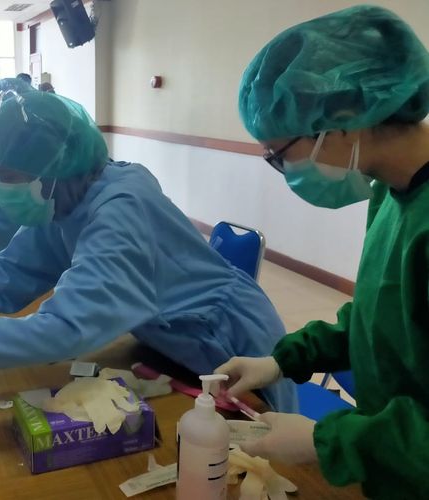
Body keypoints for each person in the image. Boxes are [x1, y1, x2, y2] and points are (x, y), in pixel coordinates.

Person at [0, 90, 297, 412]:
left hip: (227, 340)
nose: (4, 188)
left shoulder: (119, 209)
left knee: (261, 451)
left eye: (11, 174)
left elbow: (63, 329)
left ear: (52, 167)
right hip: (168, 341)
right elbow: (4, 281)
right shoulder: (64, 200)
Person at [213, 6, 429, 499]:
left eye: (281, 154)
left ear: (345, 122)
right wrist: (283, 360)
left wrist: (321, 438)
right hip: (393, 470)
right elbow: (380, 319)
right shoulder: (392, 193)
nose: (284, 171)